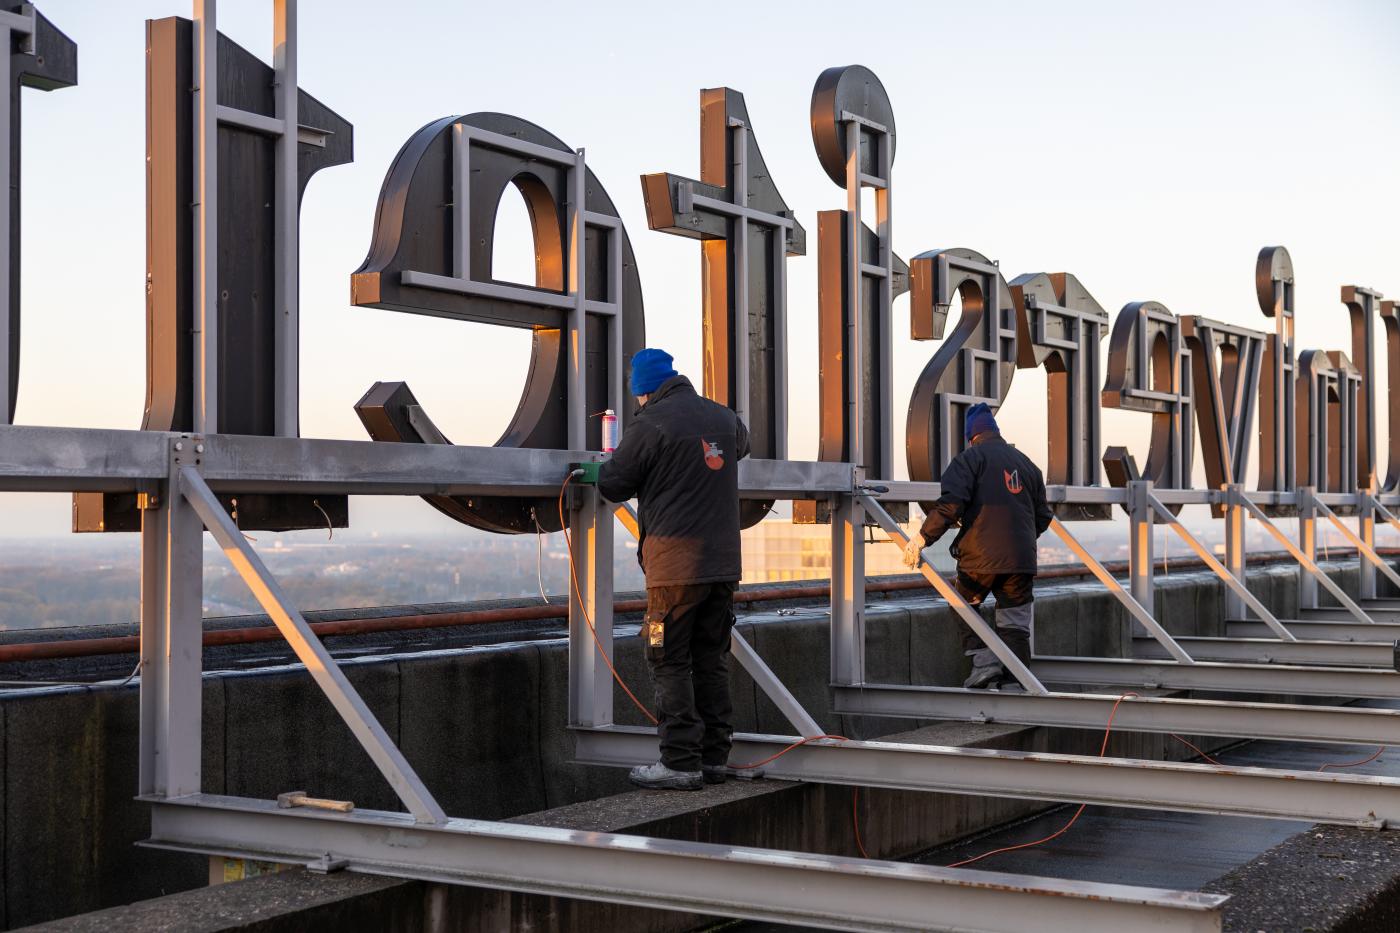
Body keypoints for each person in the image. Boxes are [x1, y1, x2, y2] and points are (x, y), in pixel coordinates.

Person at [597, 348, 750, 790]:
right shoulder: (722, 417)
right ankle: (714, 759)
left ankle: (680, 761)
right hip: (723, 565)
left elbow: (613, 482)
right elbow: (740, 445)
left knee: (667, 658)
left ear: (642, 391)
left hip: (674, 568)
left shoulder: (651, 423)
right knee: (710, 659)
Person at [902, 402, 1052, 690]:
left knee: (963, 603)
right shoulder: (1026, 464)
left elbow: (949, 506)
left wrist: (921, 539)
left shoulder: (969, 461)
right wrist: (1016, 541)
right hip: (1021, 559)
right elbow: (1044, 515)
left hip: (980, 559)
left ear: (971, 437)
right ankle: (1018, 682)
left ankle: (985, 664)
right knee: (1015, 620)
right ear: (995, 432)